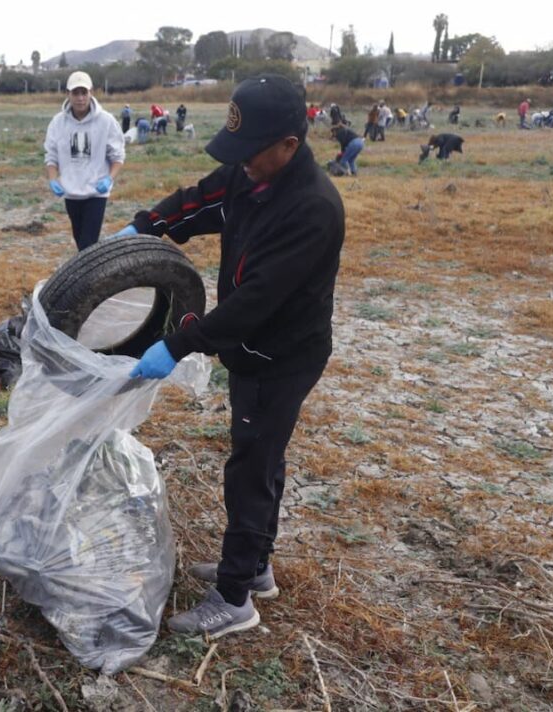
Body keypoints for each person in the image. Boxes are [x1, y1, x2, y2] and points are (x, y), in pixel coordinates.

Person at [111, 74, 344, 639]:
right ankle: (256, 566)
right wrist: (145, 228)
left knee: (250, 471)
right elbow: (201, 200)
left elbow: (256, 302)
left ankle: (236, 597)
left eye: (251, 152)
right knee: (262, 459)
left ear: (290, 144)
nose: (240, 163)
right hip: (251, 350)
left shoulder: (312, 209)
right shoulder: (250, 176)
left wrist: (178, 342)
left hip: (279, 355)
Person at [43, 71, 125, 251]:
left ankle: (90, 278)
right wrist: (52, 179)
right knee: (81, 242)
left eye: (84, 92)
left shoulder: (106, 121)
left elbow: (117, 156)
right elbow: (51, 155)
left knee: (88, 244)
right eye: (75, 93)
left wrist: (109, 178)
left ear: (91, 92)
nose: (80, 98)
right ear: (68, 94)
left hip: (96, 192)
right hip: (71, 192)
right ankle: (91, 275)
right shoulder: (58, 123)